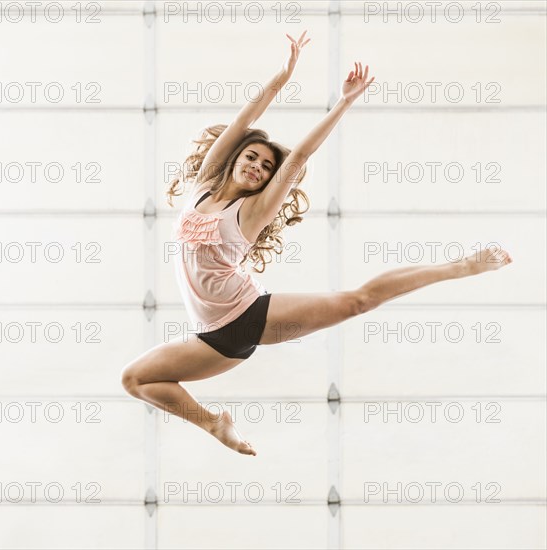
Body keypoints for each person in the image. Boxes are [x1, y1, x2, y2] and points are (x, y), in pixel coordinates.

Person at [121, 31, 512, 456]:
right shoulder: (202, 187)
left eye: (267, 167)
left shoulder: (252, 212)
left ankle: (462, 266)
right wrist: (282, 76)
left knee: (358, 301)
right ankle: (215, 425)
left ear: (270, 180)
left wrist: (343, 102)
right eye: (251, 157)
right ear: (234, 158)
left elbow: (300, 155)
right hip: (213, 340)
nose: (256, 166)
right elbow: (240, 122)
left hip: (248, 315)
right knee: (136, 379)